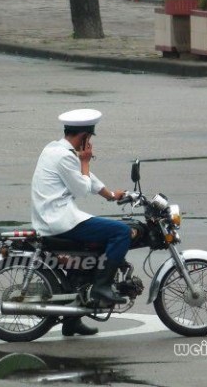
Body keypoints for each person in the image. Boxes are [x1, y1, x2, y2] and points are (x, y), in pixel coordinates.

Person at [31, 109, 131, 337]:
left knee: (91, 251)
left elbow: (86, 177)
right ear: (84, 136)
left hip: (52, 216)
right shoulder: (66, 156)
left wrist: (110, 195)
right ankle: (102, 287)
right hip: (59, 220)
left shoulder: (55, 148)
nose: (90, 144)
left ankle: (72, 321)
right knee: (121, 232)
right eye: (90, 139)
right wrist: (85, 162)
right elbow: (81, 187)